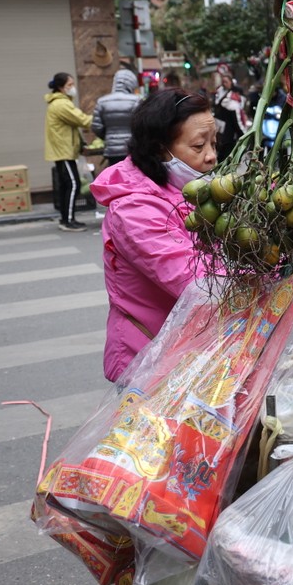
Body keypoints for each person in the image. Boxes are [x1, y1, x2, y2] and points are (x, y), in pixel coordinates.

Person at [89, 89, 216, 382]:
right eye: (199, 146)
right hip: (148, 360)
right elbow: (196, 282)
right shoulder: (134, 208)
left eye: (214, 143)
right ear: (161, 149)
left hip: (190, 351)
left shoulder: (191, 192)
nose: (211, 156)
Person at [44, 72, 93, 232]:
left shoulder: (61, 102)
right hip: (63, 151)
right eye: (70, 85)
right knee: (73, 184)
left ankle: (65, 218)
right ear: (61, 87)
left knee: (67, 185)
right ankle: (68, 220)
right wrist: (100, 116)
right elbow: (82, 120)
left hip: (64, 150)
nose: (73, 88)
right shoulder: (61, 105)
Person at [91, 68, 141, 167]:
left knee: (115, 176)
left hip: (111, 150)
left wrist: (108, 136)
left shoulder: (102, 102)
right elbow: (141, 125)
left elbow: (96, 126)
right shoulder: (136, 100)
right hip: (132, 149)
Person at [212, 64, 250, 161]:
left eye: (226, 82)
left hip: (229, 133)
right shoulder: (219, 93)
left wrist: (243, 134)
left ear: (231, 83)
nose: (224, 84)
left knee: (227, 157)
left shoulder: (233, 98)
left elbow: (237, 119)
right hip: (220, 132)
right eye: (223, 81)